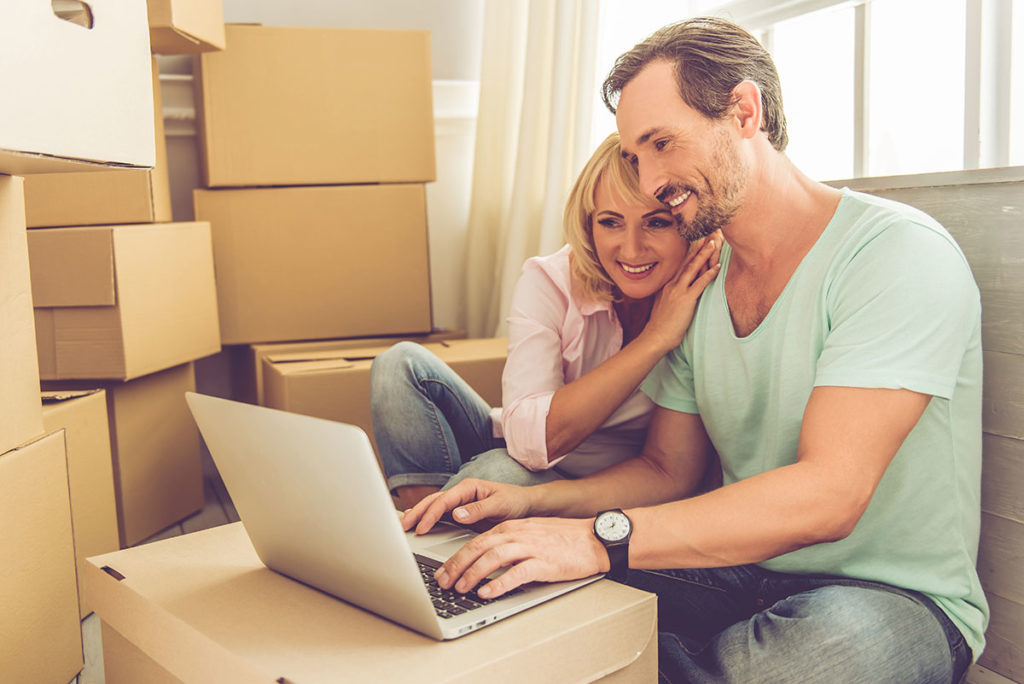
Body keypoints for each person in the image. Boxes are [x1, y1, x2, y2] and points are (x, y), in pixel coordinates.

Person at [402, 17, 987, 684]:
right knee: (509, 579)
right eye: (634, 157)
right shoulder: (698, 283)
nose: (649, 181)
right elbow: (665, 471)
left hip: (887, 597)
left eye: (661, 144)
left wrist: (597, 540)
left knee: (805, 660)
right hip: (738, 572)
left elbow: (831, 494)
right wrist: (536, 507)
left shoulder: (893, 253)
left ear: (744, 111)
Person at [370, 132, 721, 511]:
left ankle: (443, 521)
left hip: (612, 486)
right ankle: (427, 530)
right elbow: (526, 443)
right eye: (611, 222)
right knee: (398, 364)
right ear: (589, 226)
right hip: (526, 452)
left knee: (494, 475)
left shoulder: (704, 291)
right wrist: (653, 340)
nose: (632, 249)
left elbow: (672, 470)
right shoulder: (551, 280)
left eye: (656, 223)